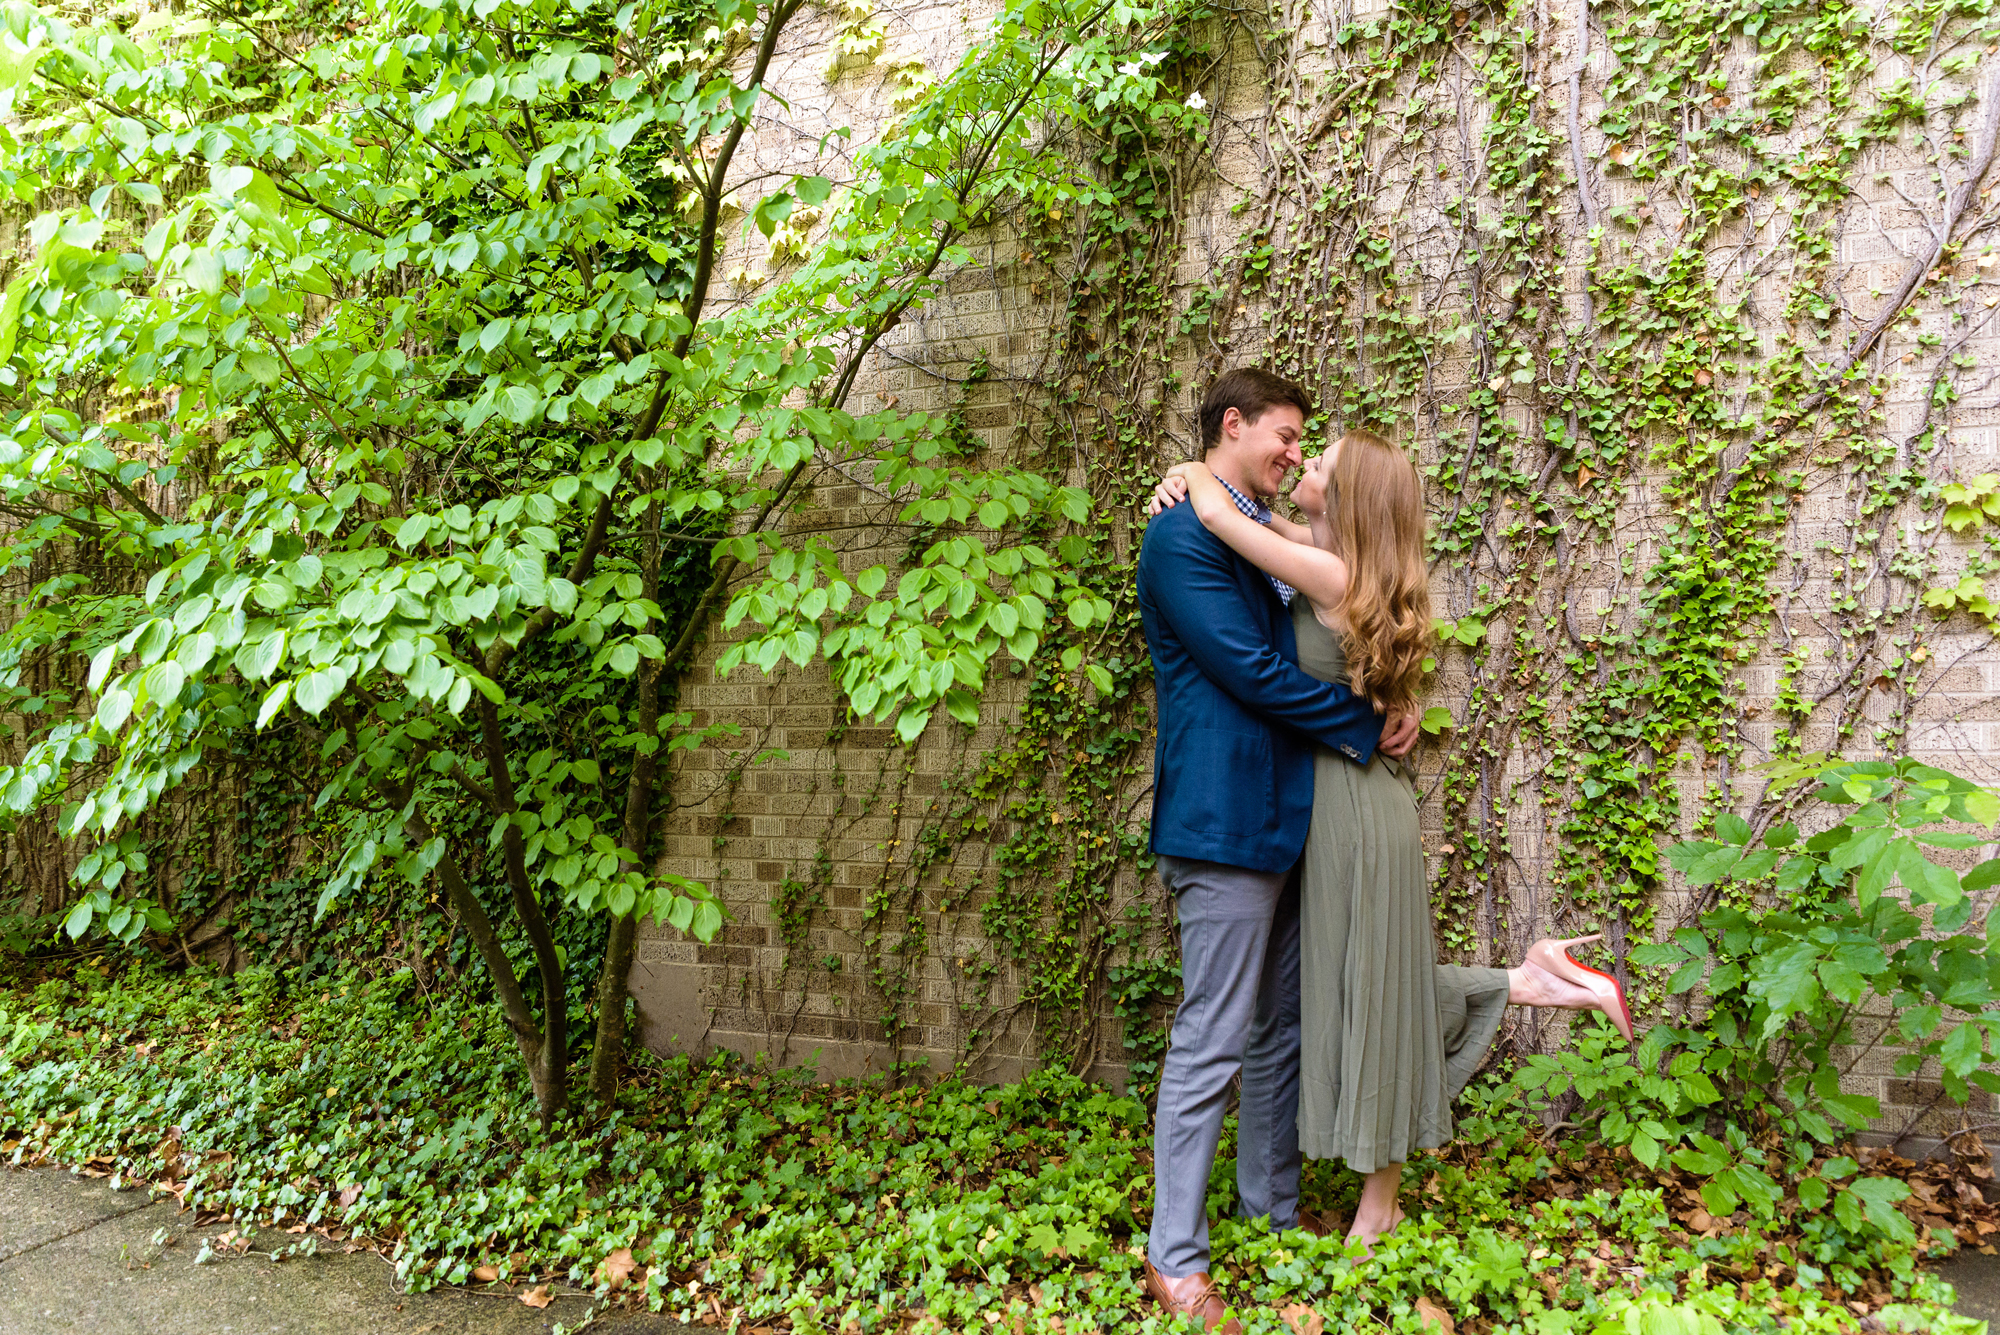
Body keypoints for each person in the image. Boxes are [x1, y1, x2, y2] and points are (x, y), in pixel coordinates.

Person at [1150, 424, 1633, 1261]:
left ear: (1348, 498)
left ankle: (1388, 1192)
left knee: (1366, 986)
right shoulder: (1334, 554)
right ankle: (1530, 979)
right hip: (1336, 799)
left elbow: (1228, 524)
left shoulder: (1329, 569)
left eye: (1322, 460)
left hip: (1349, 805)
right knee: (1352, 985)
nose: (1305, 461)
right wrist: (1196, 473)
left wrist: (1193, 471)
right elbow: (1255, 530)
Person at [1134, 368, 1420, 1335]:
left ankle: (1271, 1209)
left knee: (1279, 1028)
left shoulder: (1251, 530)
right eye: (1286, 436)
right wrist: (1362, 720)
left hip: (1292, 816)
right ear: (1233, 425)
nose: (1296, 452)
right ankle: (1174, 1258)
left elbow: (1334, 619)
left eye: (1305, 443)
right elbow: (1252, 671)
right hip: (1222, 822)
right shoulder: (1181, 536)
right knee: (1212, 1035)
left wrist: (1389, 697)